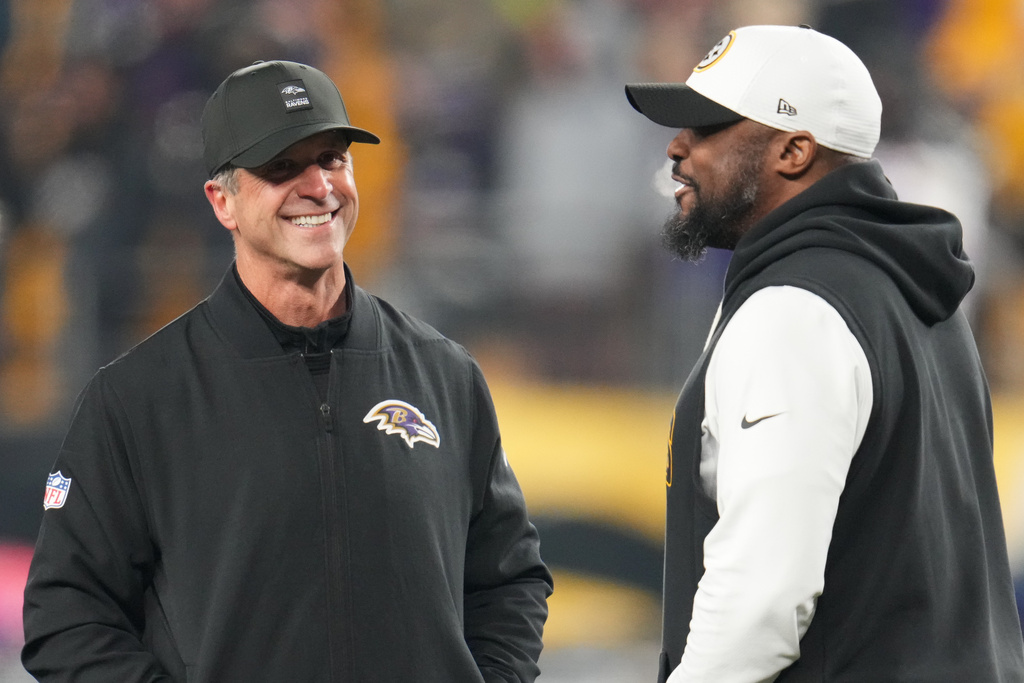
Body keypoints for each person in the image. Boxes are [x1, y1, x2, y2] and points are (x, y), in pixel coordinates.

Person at [21, 59, 552, 682]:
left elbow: (509, 579)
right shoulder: (137, 399)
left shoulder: (445, 375)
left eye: (331, 158)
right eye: (282, 167)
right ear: (223, 202)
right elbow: (67, 616)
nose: (318, 186)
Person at [625, 25, 1024, 682]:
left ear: (793, 151)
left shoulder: (795, 307)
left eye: (708, 127)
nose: (677, 146)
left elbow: (761, 599)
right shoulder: (922, 293)